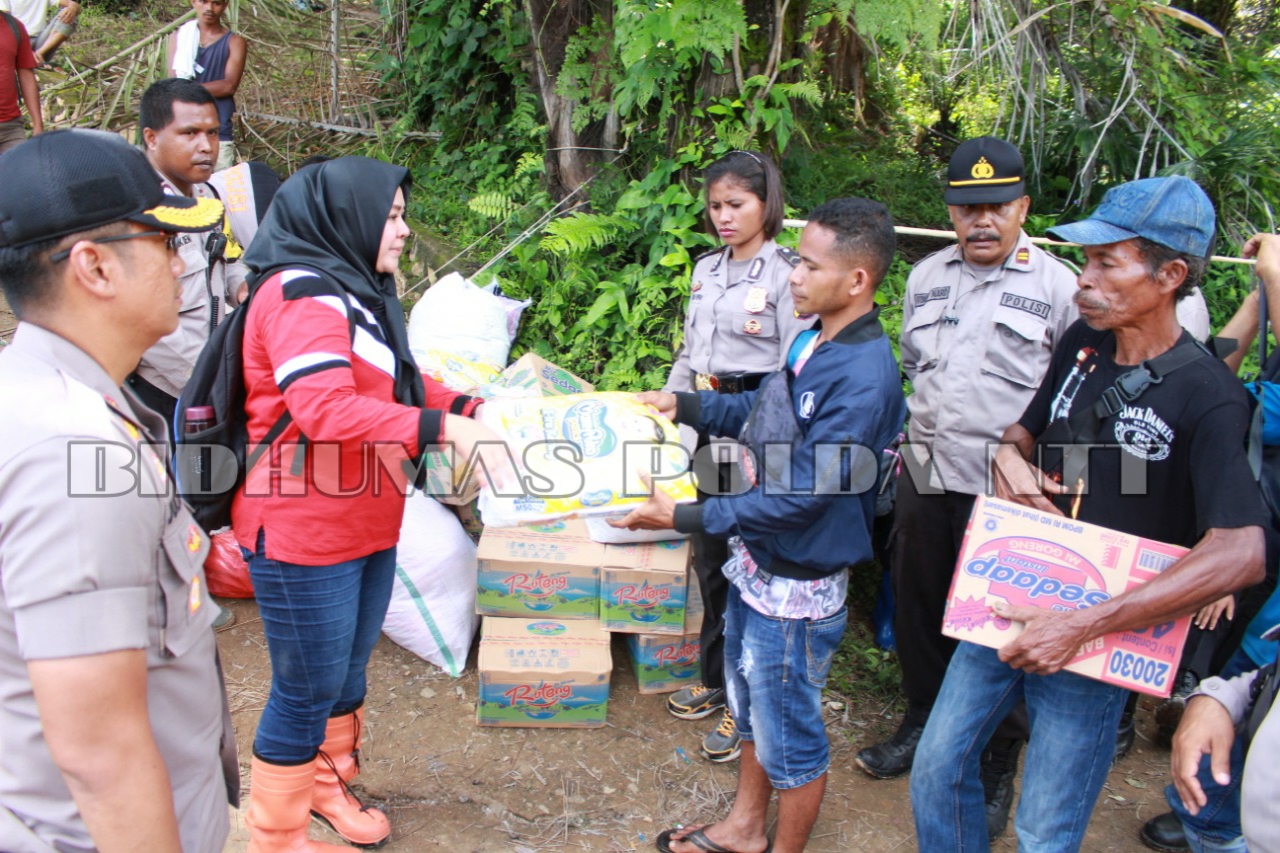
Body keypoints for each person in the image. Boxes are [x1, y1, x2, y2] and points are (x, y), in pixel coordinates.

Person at [910, 174, 1269, 853]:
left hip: (1103, 637)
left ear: (1170, 274)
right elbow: (1023, 433)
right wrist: (1010, 461)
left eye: (1107, 261)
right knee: (937, 766)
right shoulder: (1083, 341)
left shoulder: (1211, 396)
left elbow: (1241, 551)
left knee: (1045, 826)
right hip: (1013, 595)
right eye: (1087, 259)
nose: (1084, 277)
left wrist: (1078, 626)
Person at [612, 197, 906, 853]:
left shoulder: (863, 379)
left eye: (806, 265)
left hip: (797, 580)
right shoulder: (814, 335)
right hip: (759, 558)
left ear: (857, 279)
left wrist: (683, 513)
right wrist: (684, 401)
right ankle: (745, 827)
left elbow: (805, 497)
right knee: (751, 706)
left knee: (790, 733)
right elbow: (761, 408)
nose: (792, 277)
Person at [232, 156, 507, 852]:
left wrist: (474, 405)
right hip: (301, 526)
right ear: (344, 216)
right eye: (391, 216)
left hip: (366, 516)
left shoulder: (357, 292)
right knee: (305, 684)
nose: (405, 230)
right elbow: (323, 408)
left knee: (347, 671)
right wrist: (446, 428)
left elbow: (400, 386)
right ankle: (275, 832)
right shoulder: (300, 294)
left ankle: (326, 785)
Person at [0, 129, 235, 852]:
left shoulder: (43, 398)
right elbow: (100, 755)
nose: (181, 261)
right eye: (163, 241)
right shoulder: (75, 457)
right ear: (94, 265)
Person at [856, 136, 1078, 838]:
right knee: (920, 600)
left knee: (1000, 619)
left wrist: (1053, 490)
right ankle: (921, 718)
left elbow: (1069, 400)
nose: (981, 221)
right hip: (927, 465)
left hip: (1010, 488)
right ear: (950, 213)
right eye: (967, 208)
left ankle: (995, 757)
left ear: (1022, 207)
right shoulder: (927, 277)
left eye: (997, 206)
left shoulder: (1060, 288)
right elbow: (918, 367)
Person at [662, 149, 814, 764]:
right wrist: (673, 411)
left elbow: (788, 373)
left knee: (749, 566)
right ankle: (712, 676)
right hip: (706, 421)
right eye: (716, 205)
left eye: (737, 205)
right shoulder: (706, 270)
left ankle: (741, 705)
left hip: (755, 429)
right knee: (711, 559)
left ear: (766, 204)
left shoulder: (786, 273)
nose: (724, 216)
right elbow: (690, 355)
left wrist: (762, 447)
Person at [129, 77, 249, 432]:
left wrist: (243, 289)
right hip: (160, 385)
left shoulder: (207, 196)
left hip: (207, 372)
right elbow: (139, 319)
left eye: (212, 133)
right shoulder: (138, 211)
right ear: (151, 138)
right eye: (190, 133)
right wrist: (205, 380)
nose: (206, 147)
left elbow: (227, 259)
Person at [167, 0, 246, 171]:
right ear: (193, 2)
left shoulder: (234, 42)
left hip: (217, 132)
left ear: (225, 5)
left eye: (216, 3)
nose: (209, 8)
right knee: (183, 192)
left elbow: (228, 86)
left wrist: (186, 89)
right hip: (184, 130)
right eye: (204, 1)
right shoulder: (180, 38)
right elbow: (171, 83)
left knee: (217, 190)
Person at [0, 5, 40, 155]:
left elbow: (26, 75)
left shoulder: (14, 27)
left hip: (11, 128)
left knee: (24, 176)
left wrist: (38, 124)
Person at [1, 0, 80, 64]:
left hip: (40, 43)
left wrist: (72, 6)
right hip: (16, 42)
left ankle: (39, 54)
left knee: (70, 14)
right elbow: (5, 25)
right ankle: (29, 58)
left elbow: (74, 5)